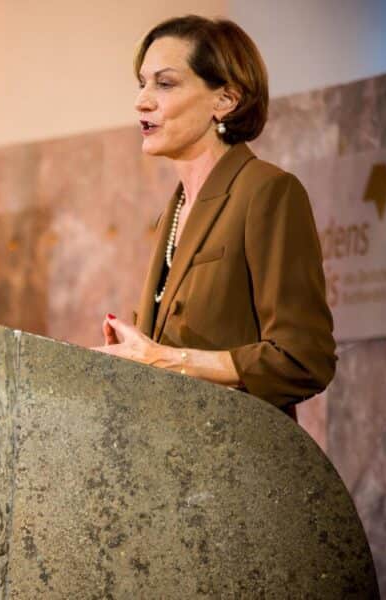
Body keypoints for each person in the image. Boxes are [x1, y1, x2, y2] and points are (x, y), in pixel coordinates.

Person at [92, 15, 336, 413]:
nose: (142, 100)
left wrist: (165, 359)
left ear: (225, 100)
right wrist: (135, 356)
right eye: (143, 83)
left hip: (241, 461)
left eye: (165, 83)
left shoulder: (266, 191)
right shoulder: (172, 212)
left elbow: (304, 358)